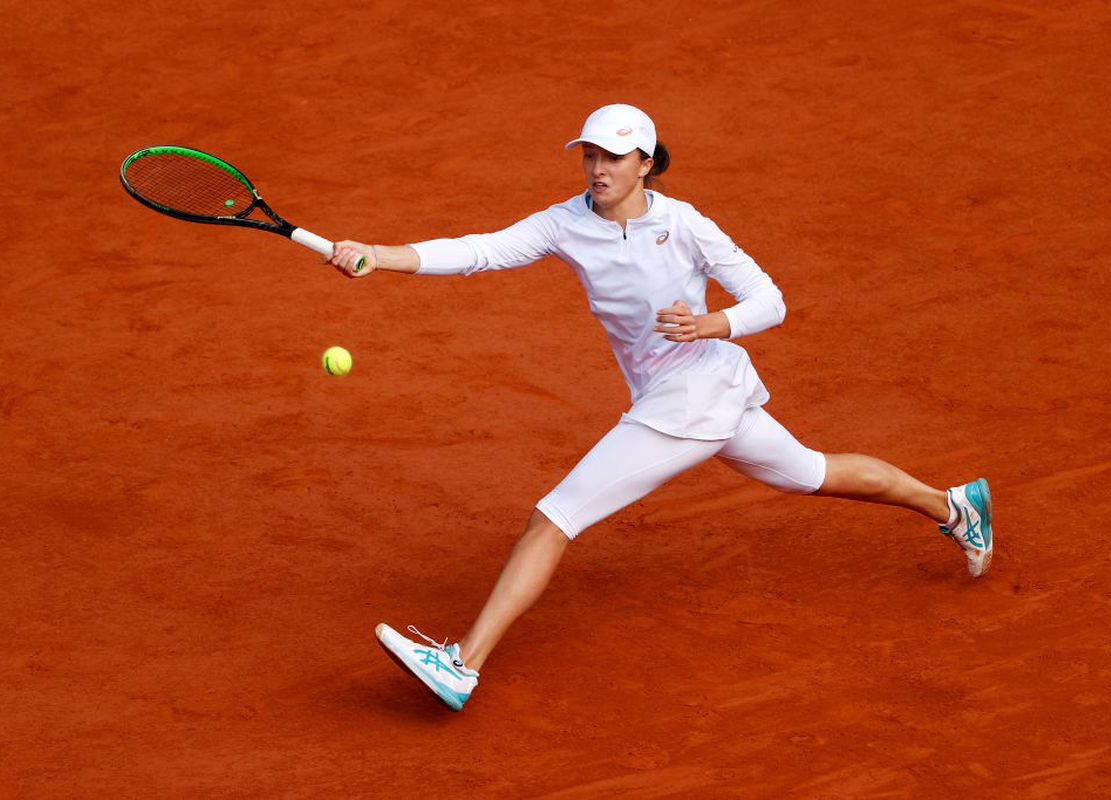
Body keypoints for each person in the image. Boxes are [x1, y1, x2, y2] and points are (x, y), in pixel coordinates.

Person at [325, 104, 993, 712]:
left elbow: (770, 300)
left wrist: (711, 324)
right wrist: (377, 255)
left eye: (613, 158)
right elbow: (478, 250)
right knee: (811, 472)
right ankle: (954, 506)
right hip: (690, 395)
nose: (598, 169)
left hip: (694, 395)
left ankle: (462, 665)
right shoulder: (564, 223)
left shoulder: (685, 224)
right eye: (590, 155)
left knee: (554, 518)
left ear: (645, 163)